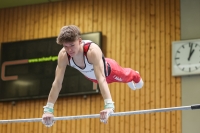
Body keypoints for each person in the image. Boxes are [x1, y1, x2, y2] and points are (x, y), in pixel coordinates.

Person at [42, 25, 144, 127]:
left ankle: (135, 76)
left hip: (110, 71)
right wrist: (48, 109)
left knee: (126, 76)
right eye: (66, 46)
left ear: (80, 41)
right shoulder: (63, 55)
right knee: (108, 79)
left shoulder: (92, 51)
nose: (69, 50)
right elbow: (57, 83)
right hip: (93, 77)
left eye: (72, 45)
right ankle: (128, 80)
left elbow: (102, 79)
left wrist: (109, 105)